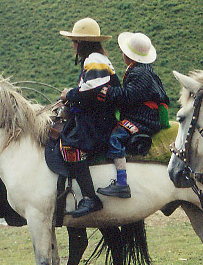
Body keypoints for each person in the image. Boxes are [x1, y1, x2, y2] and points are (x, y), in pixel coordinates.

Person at [59, 17, 120, 217]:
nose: (73, 46)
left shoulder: (94, 60)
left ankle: (90, 198)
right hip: (96, 117)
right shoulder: (95, 59)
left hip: (99, 121)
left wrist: (69, 94)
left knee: (69, 144)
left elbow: (89, 93)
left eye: (75, 42)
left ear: (83, 43)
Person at [97, 32, 170, 198]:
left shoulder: (139, 73)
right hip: (146, 114)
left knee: (115, 137)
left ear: (128, 55)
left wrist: (108, 93)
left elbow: (130, 96)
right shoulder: (145, 70)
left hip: (143, 117)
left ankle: (122, 183)